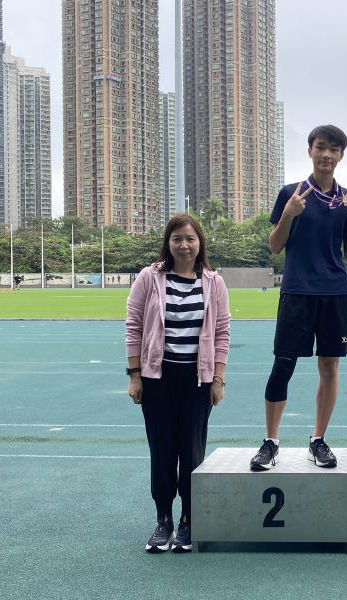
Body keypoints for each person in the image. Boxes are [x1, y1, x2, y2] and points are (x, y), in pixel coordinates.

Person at [249, 125, 347, 472]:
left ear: (341, 155)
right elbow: (274, 245)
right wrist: (288, 214)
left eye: (334, 149)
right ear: (310, 151)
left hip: (335, 292)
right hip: (297, 291)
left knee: (329, 367)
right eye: (321, 147)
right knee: (283, 365)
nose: (327, 154)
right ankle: (271, 442)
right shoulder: (291, 193)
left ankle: (318, 440)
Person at [125, 214, 230, 553]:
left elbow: (222, 333)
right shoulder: (149, 278)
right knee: (162, 451)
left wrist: (218, 379)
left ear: (200, 243)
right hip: (158, 379)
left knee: (192, 452)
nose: (184, 245)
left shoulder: (214, 283)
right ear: (168, 243)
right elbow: (134, 326)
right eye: (177, 239)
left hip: (197, 381)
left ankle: (188, 520)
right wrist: (135, 375)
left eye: (190, 239)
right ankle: (162, 520)